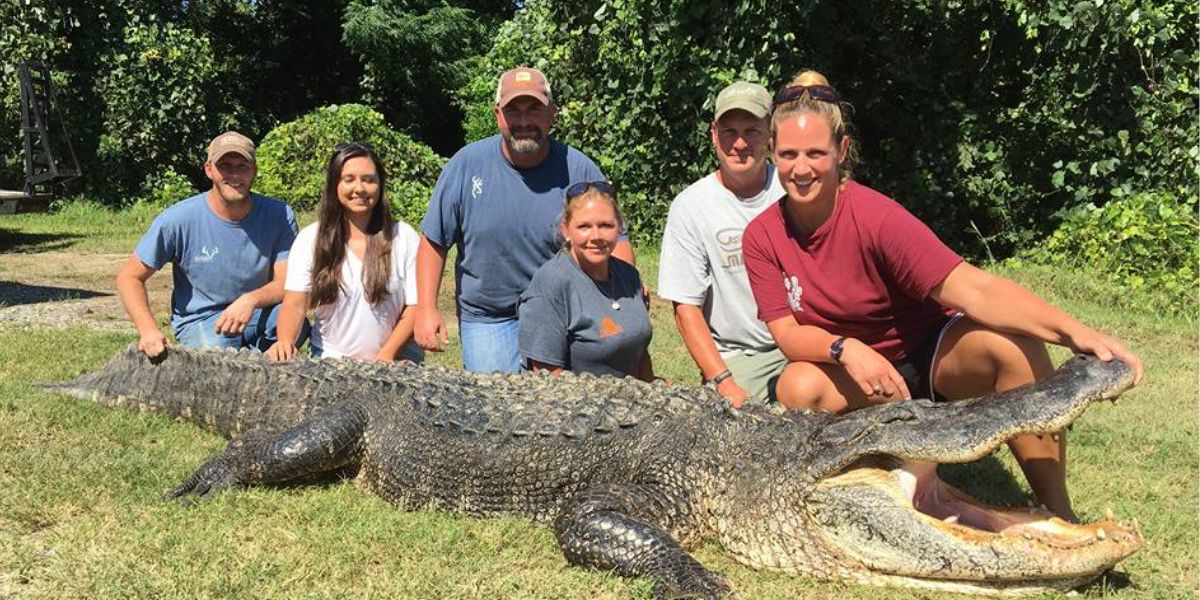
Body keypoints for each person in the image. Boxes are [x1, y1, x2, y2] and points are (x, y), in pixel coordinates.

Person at [741, 70, 1144, 522]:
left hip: (929, 354)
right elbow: (788, 334)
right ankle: (863, 487)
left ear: (842, 151)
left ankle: (1058, 511)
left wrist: (1075, 333)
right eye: (789, 153)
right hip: (855, 372)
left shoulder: (877, 217)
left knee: (1013, 350)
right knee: (796, 385)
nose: (801, 168)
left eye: (816, 153)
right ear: (772, 153)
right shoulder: (761, 236)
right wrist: (846, 348)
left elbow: (975, 289)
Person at [415, 66, 634, 373]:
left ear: (552, 114)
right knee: (494, 410)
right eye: (513, 111)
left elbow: (616, 236)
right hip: (489, 314)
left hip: (563, 310)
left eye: (534, 110)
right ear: (497, 115)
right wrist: (426, 309)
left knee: (576, 406)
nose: (523, 122)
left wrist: (626, 292)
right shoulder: (466, 165)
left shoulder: (579, 169)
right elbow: (434, 240)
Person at [658, 81, 786, 407]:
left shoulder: (794, 189)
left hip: (802, 346)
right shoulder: (691, 206)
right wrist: (722, 380)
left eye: (752, 131)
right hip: (738, 355)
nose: (740, 143)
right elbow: (686, 307)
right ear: (713, 133)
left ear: (770, 135)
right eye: (729, 131)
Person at [116, 131, 299, 358]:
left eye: (243, 166)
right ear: (209, 170)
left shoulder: (279, 214)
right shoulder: (177, 219)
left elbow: (288, 282)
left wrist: (250, 300)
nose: (234, 174)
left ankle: (261, 361)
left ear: (255, 170)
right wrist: (148, 330)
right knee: (217, 356)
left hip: (257, 312)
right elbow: (129, 277)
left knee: (298, 327)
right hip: (202, 319)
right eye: (225, 166)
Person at [265, 142, 423, 363]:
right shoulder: (311, 239)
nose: (359, 188)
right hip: (330, 360)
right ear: (334, 185)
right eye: (349, 179)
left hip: (395, 358)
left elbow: (415, 306)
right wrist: (284, 342)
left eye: (368, 180)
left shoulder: (404, 236)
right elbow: (295, 302)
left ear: (380, 185)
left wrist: (386, 356)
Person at [518, 181, 654, 381]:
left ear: (620, 228)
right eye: (584, 226)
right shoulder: (551, 285)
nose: (596, 236)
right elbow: (547, 379)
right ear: (566, 230)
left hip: (631, 401)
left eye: (606, 225)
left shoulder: (629, 276)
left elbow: (639, 352)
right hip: (578, 406)